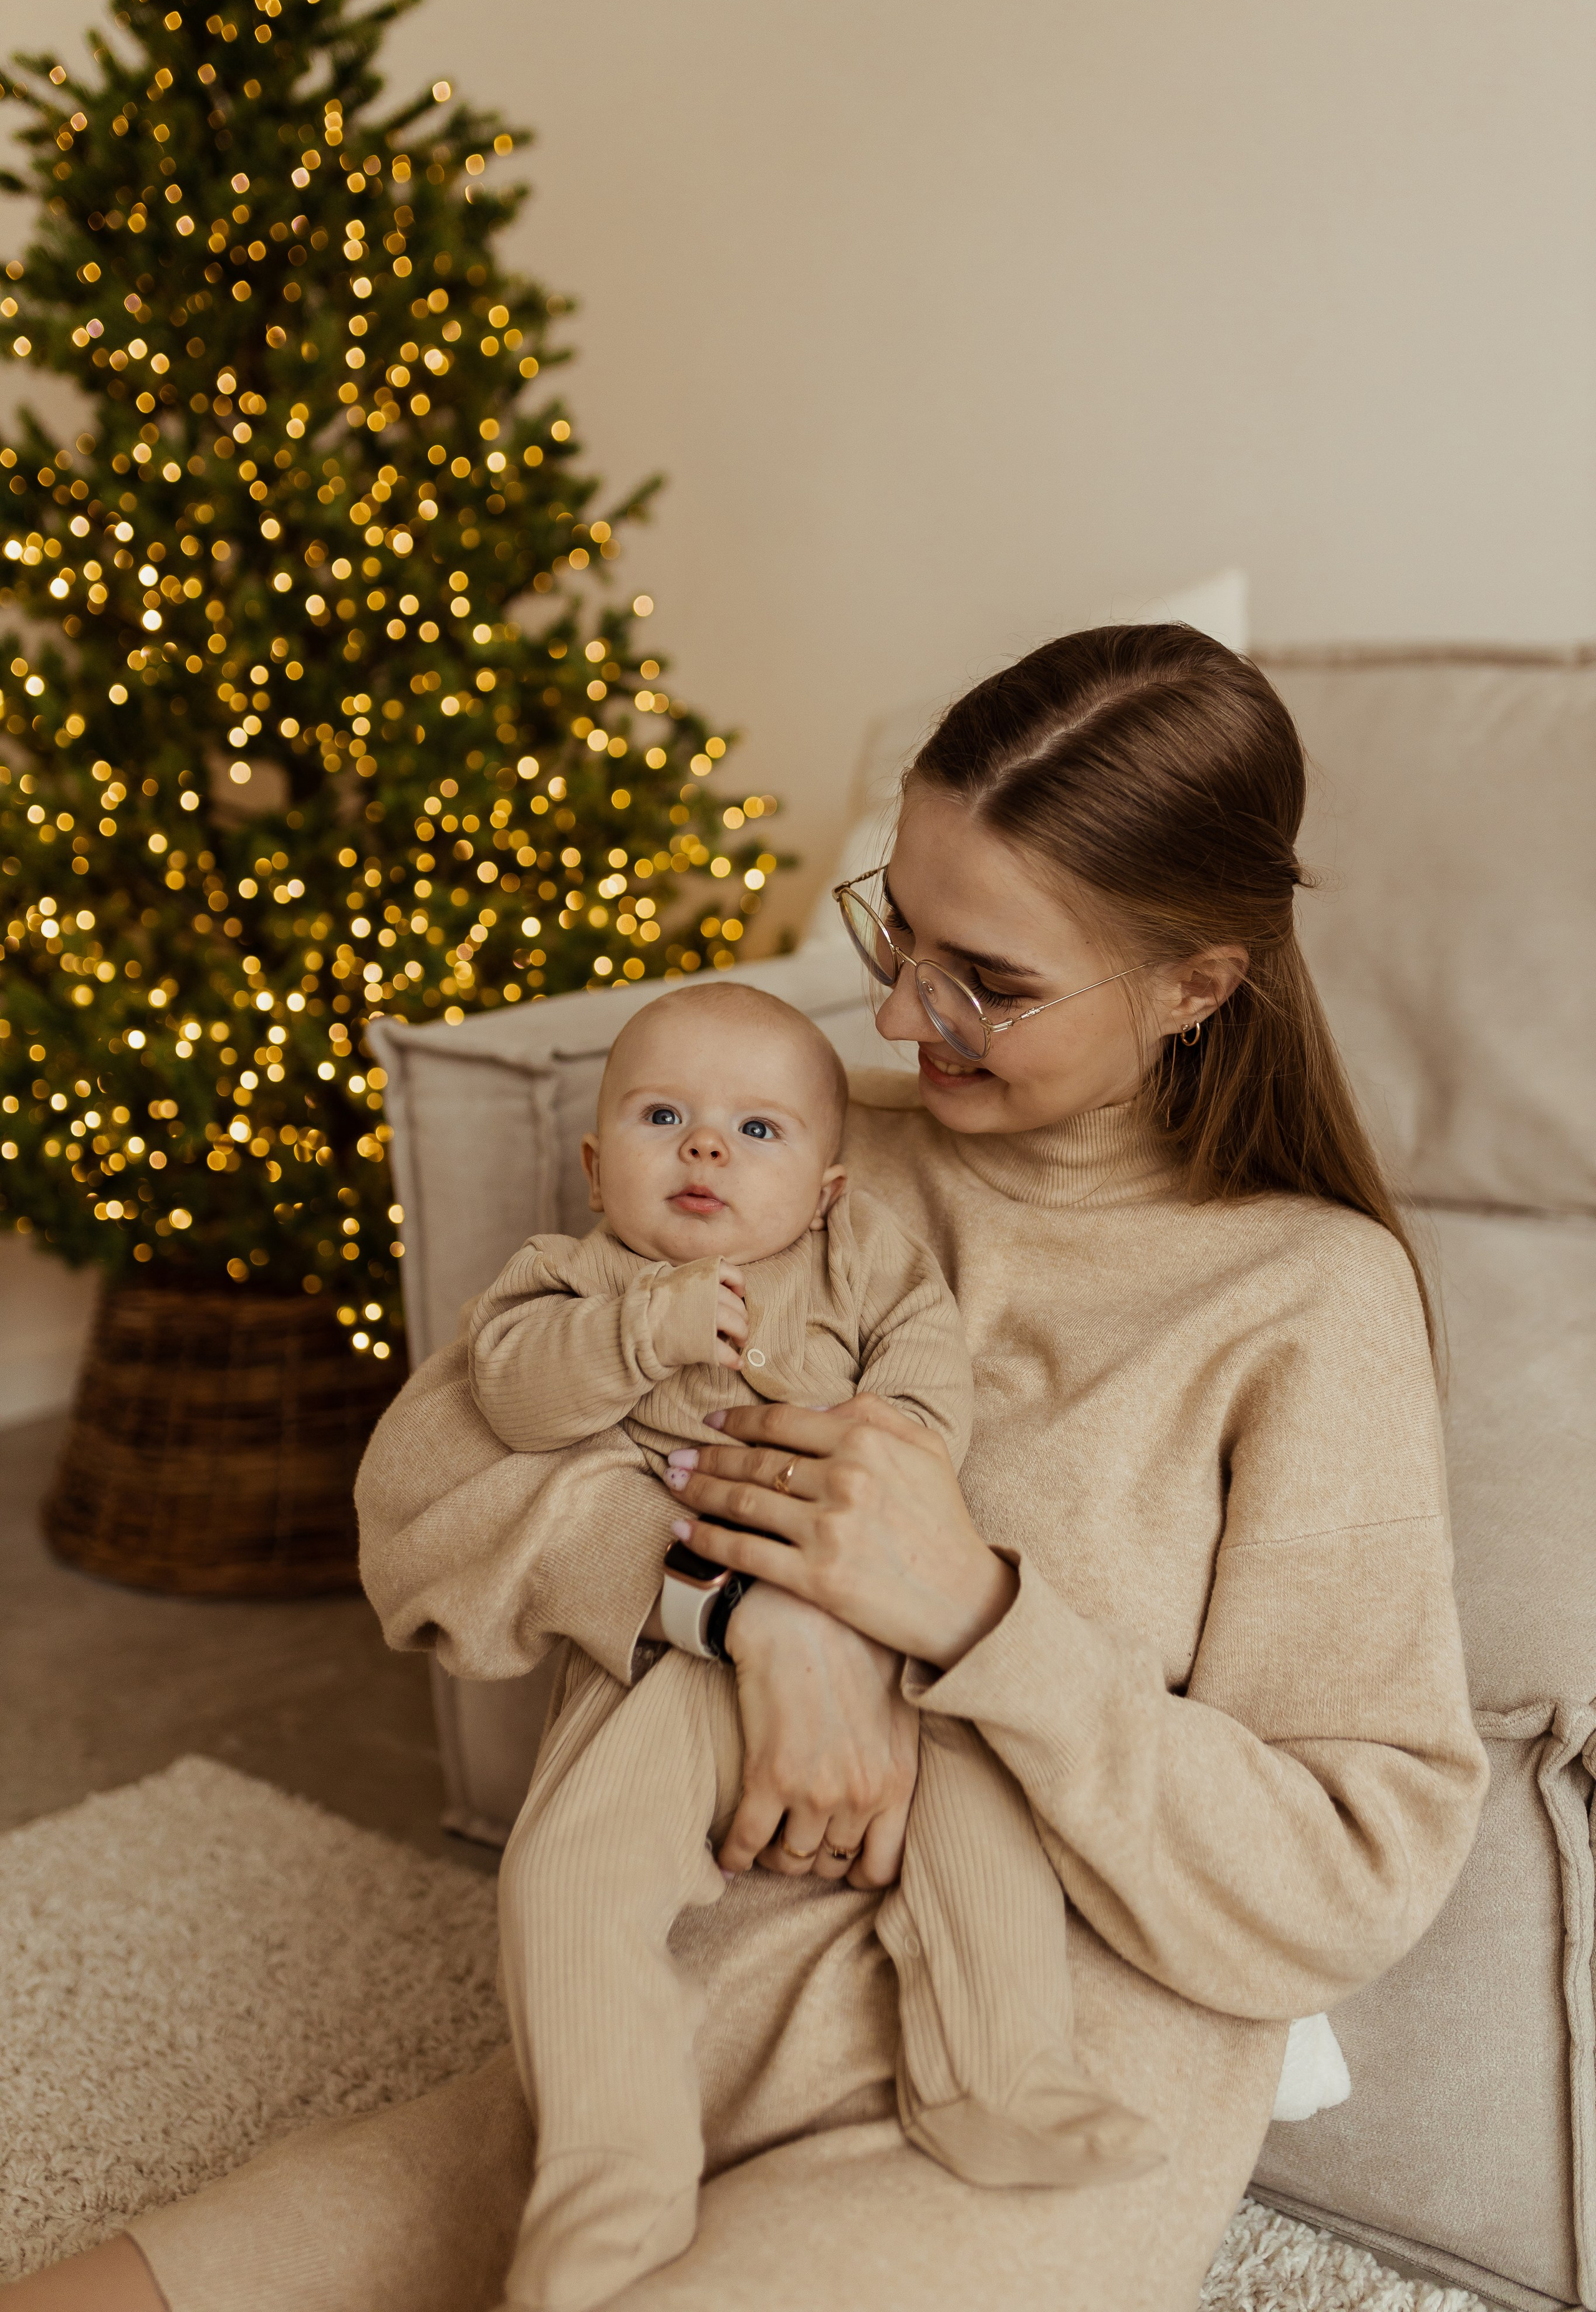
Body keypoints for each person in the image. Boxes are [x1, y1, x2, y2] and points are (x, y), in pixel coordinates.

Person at [9, 625, 1488, 2312]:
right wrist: (739, 1609)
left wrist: (977, 1617)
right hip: (642, 2045)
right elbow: (424, 1498)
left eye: (984, 981)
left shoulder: (1305, 1299)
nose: (897, 1010)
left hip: (1017, 2103)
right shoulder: (794, 1157)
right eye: (899, 932)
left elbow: (1349, 1871)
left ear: (1194, 987)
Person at [466, 983, 1152, 2310]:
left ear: (830, 1184)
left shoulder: (862, 1259)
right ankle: (609, 2190)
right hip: (669, 1657)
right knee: (563, 1875)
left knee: (983, 1807)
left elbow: (926, 1383)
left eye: (756, 1130)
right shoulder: (572, 1279)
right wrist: (630, 1332)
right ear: (598, 1165)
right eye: (663, 1117)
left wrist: (877, 1449)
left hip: (873, 1627)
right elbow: (509, 1394)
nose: (706, 1149)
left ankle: (997, 2075)